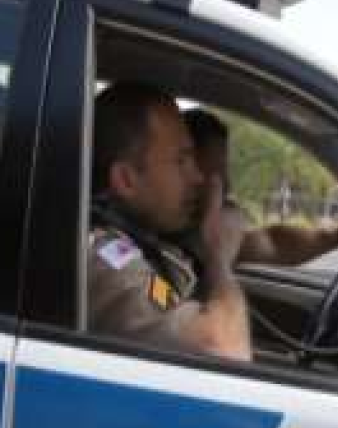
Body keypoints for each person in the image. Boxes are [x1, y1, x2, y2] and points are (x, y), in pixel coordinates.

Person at [87, 83, 251, 361]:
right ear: (126, 180)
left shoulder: (150, 237)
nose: (198, 177)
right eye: (181, 161)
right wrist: (220, 258)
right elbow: (225, 349)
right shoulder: (106, 258)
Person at [181, 108, 338, 271]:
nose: (226, 188)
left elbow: (274, 244)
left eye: (225, 172)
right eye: (214, 176)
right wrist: (218, 263)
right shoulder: (167, 259)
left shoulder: (204, 232)